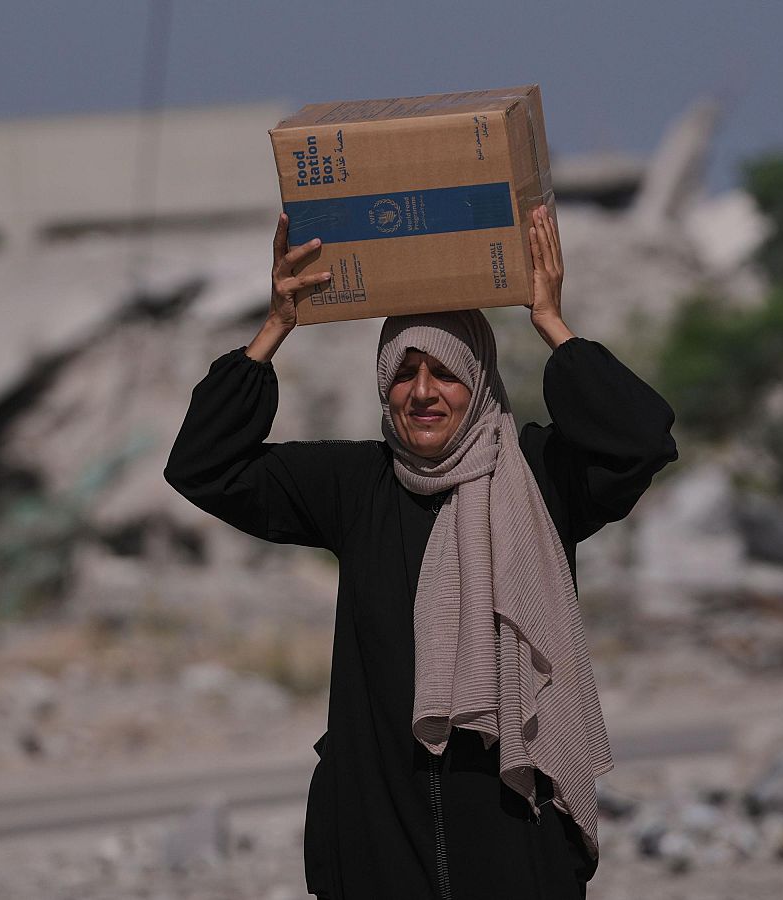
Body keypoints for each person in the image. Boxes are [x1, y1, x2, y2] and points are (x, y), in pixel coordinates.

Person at [165, 206, 678, 899]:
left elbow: (642, 439)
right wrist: (275, 325)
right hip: (381, 837)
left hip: (513, 834)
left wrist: (551, 321)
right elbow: (203, 466)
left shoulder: (541, 475)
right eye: (404, 373)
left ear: (480, 379)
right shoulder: (357, 485)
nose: (424, 392)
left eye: (445, 370)